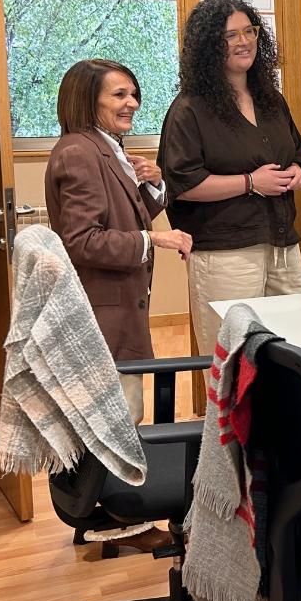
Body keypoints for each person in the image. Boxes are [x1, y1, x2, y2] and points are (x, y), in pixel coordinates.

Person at [159, 0, 301, 358]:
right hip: (225, 252)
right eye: (230, 35)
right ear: (209, 45)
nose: (244, 42)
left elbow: (298, 156)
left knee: (300, 347)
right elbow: (181, 183)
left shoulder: (271, 100)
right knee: (233, 359)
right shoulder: (189, 108)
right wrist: (251, 183)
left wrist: (297, 172)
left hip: (281, 245)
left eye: (249, 31)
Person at [45, 59, 193, 423]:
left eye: (134, 94)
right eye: (120, 95)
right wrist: (153, 239)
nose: (133, 103)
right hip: (103, 321)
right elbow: (83, 240)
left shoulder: (105, 146)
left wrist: (154, 183)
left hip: (118, 313)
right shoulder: (79, 152)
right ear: (88, 100)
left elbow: (123, 216)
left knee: (126, 418)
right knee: (118, 423)